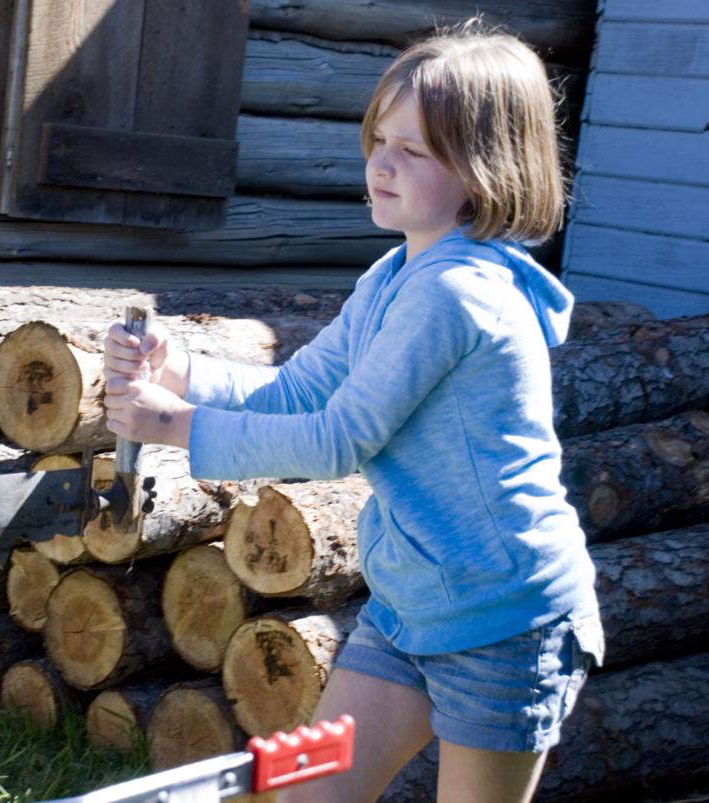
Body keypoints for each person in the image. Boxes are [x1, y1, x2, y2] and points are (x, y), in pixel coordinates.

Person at [102, 23, 605, 803]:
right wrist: (183, 371)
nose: (380, 163)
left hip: (505, 616)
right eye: (380, 138)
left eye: (415, 151)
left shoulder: (457, 292)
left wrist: (173, 426)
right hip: (410, 608)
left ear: (486, 167)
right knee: (310, 796)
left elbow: (339, 437)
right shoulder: (397, 271)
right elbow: (303, 390)